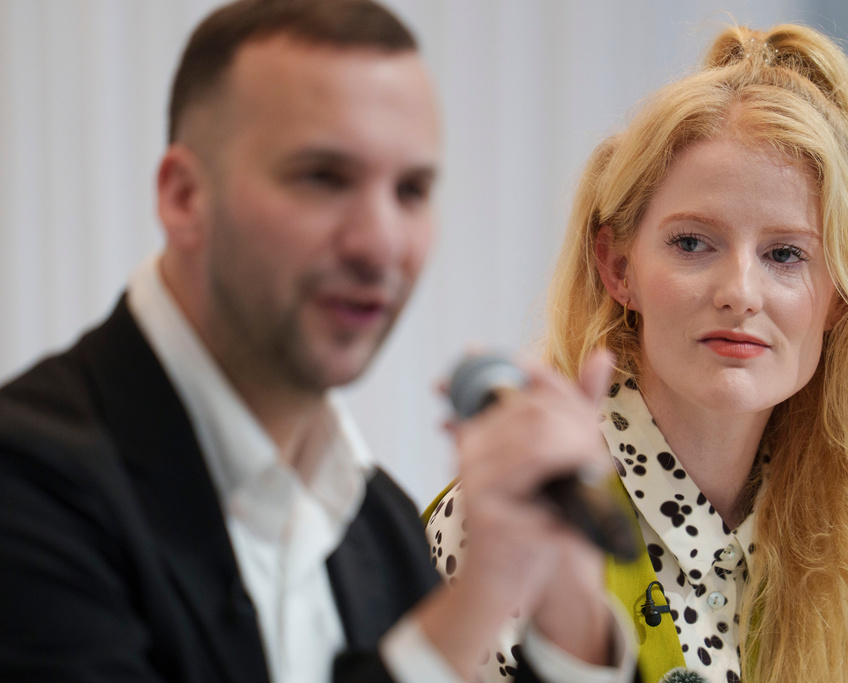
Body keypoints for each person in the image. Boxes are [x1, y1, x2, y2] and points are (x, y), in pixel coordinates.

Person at [0, 1, 637, 682]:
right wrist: (452, 633)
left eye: (412, 189)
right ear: (184, 196)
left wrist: (570, 618)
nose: (381, 243)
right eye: (323, 178)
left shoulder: (383, 529)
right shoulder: (25, 479)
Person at [426, 23, 848, 683]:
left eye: (785, 254)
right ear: (617, 266)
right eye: (692, 243)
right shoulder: (512, 524)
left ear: (839, 299)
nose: (740, 292)